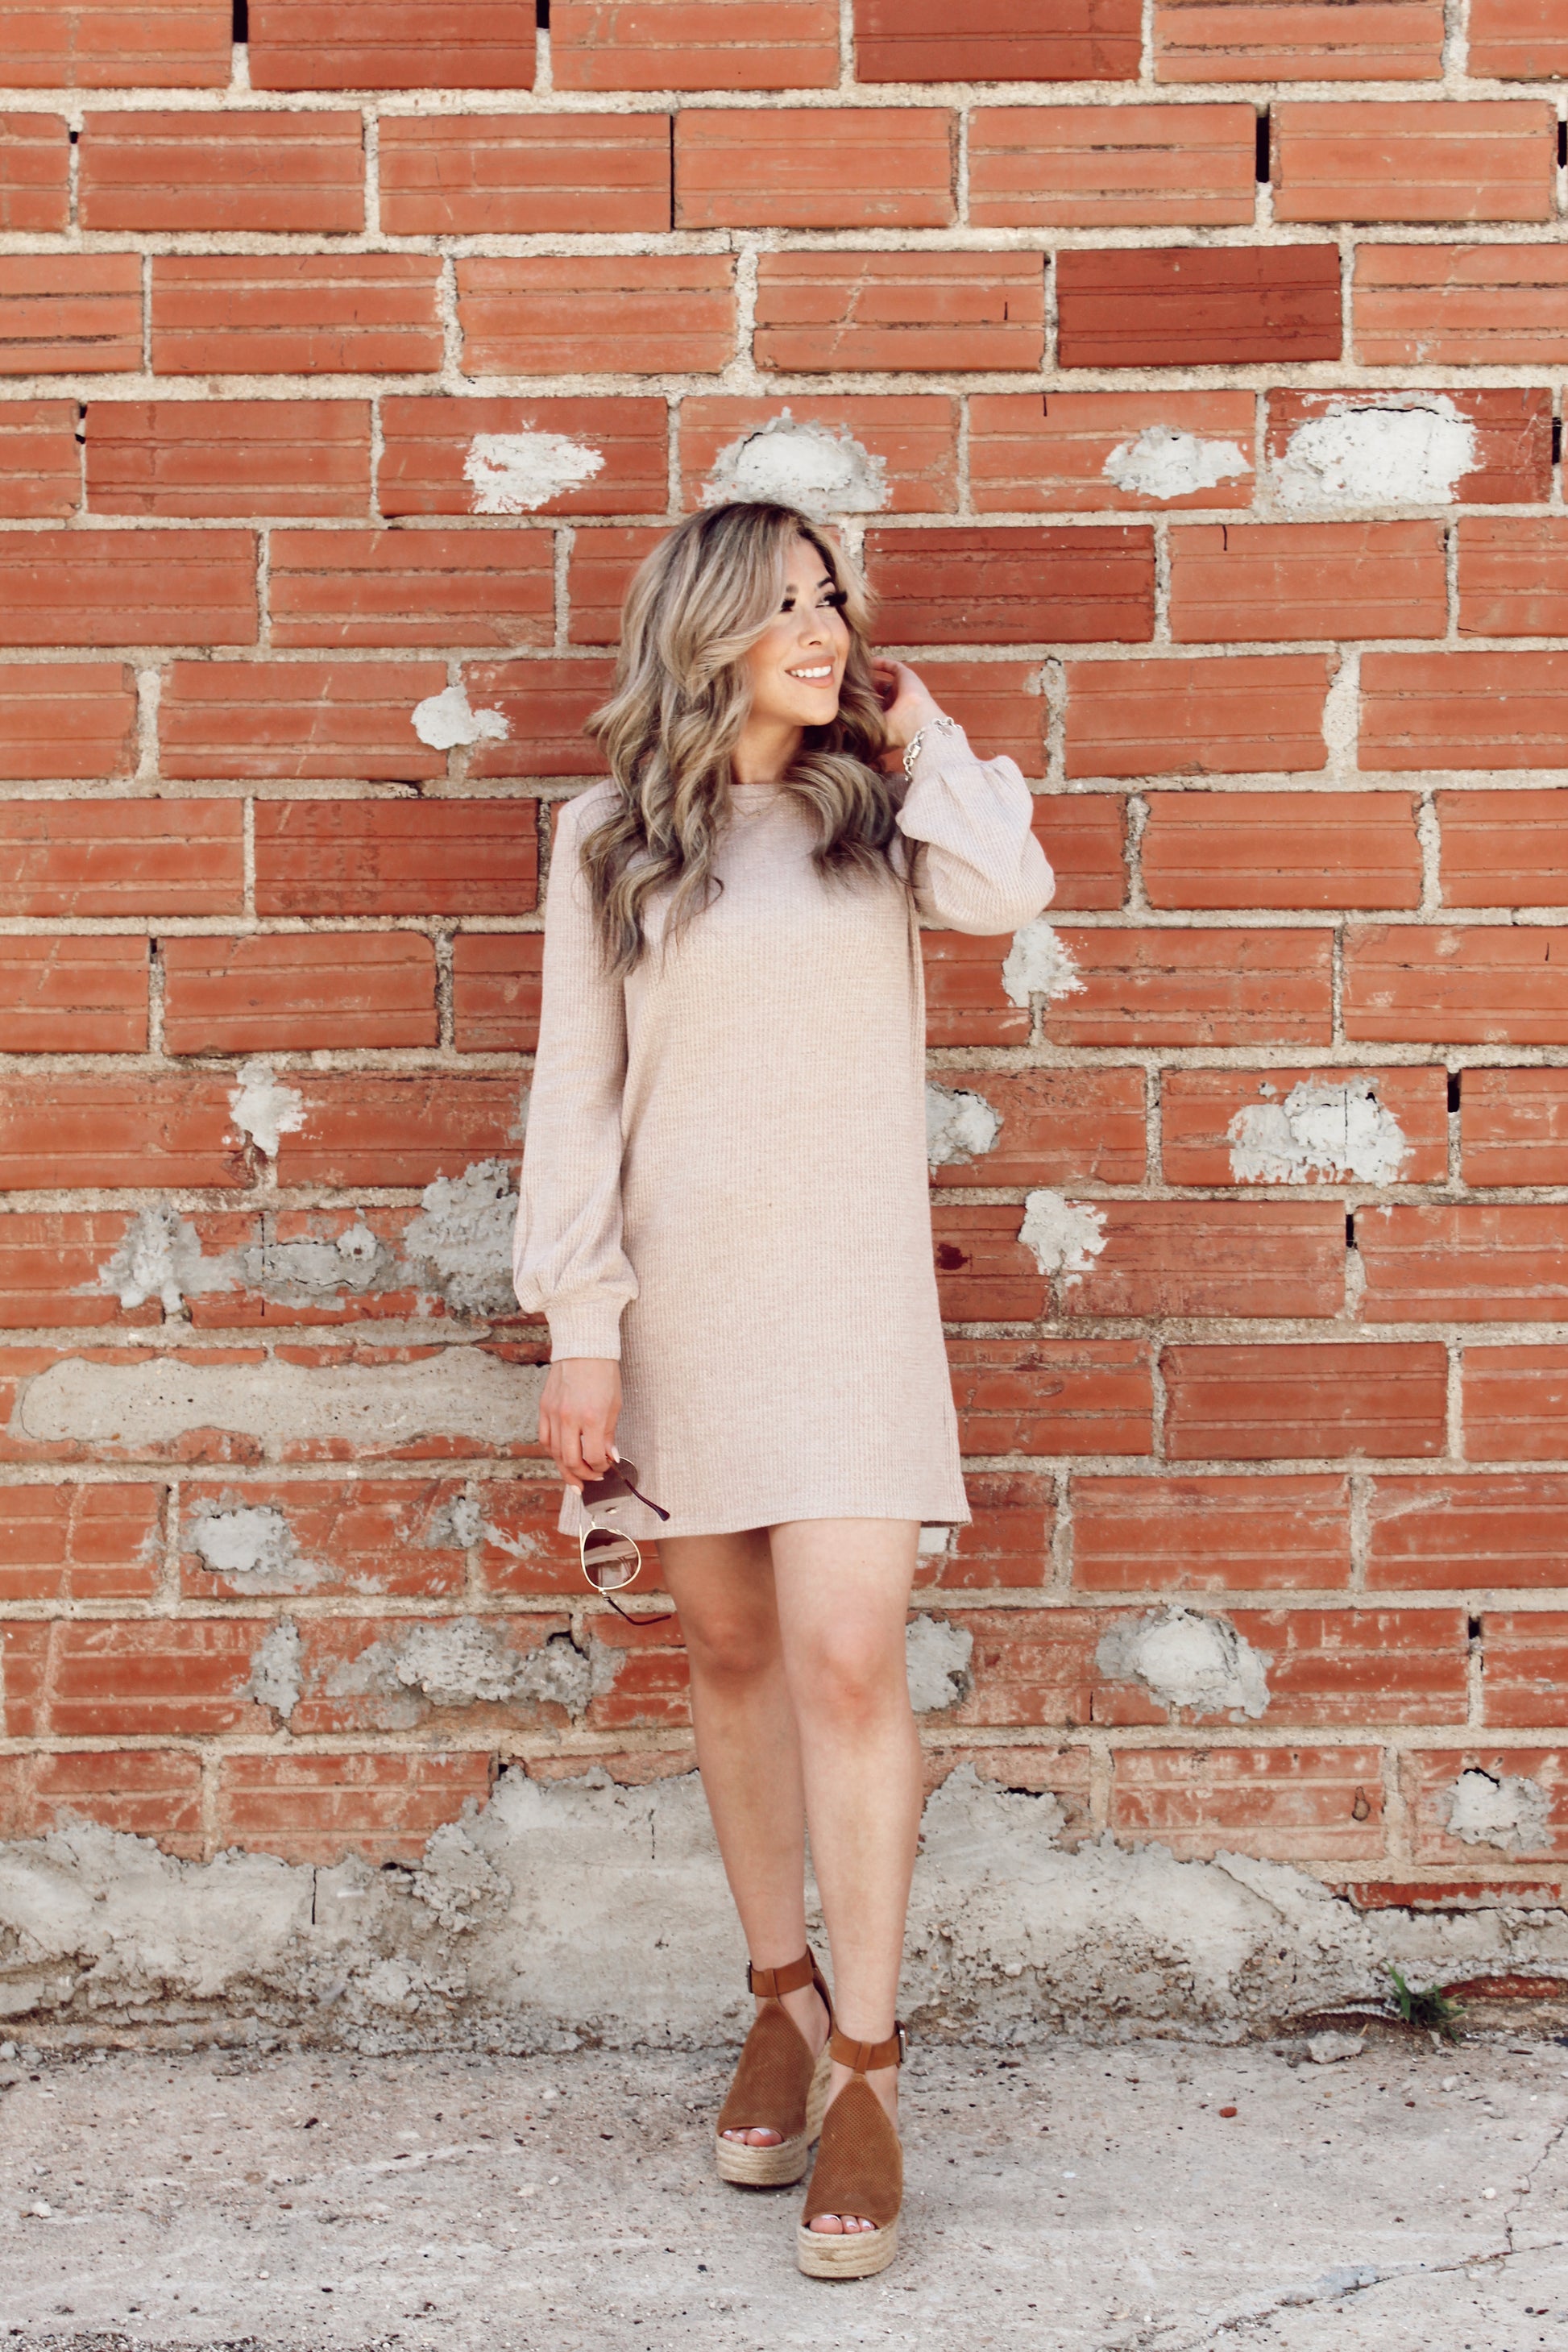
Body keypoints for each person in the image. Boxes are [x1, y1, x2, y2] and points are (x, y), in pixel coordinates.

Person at [513, 500, 1053, 2279]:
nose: (823, 629)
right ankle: (779, 1994)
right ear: (705, 634)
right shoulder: (609, 840)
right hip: (682, 1307)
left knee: (844, 1654)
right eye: (783, 606)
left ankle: (870, 2068)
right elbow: (577, 1100)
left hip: (847, 1305)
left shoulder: (878, 823)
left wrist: (921, 732)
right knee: (730, 1647)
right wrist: (581, 1324)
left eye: (832, 600)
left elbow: (1009, 892)